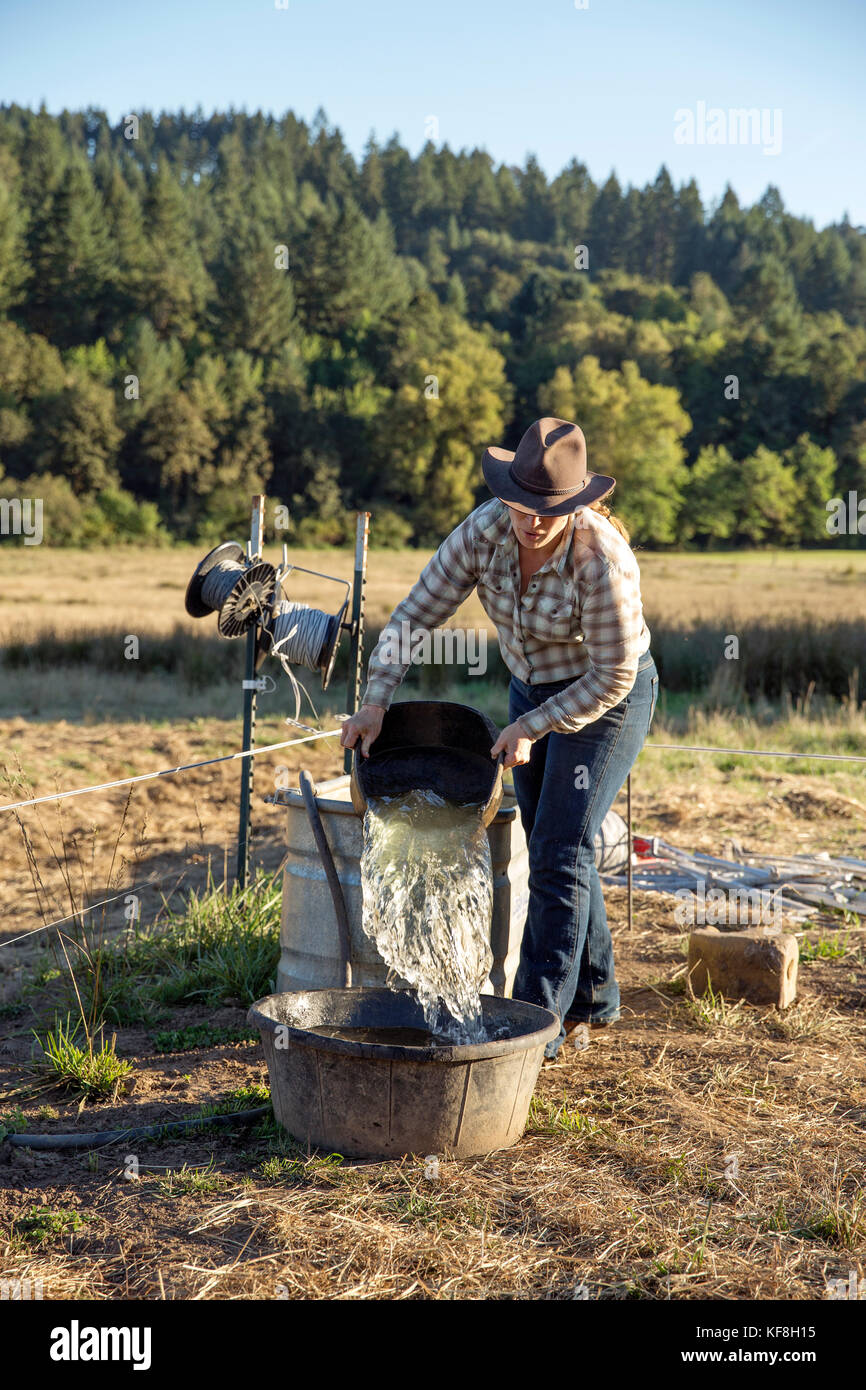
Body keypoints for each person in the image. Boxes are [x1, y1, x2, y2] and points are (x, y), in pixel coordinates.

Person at [340, 417, 659, 1060]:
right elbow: (414, 615)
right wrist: (375, 702)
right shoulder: (484, 531)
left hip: (605, 700)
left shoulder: (599, 559)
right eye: (522, 505)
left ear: (575, 505)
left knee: (560, 851)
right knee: (556, 842)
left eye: (549, 510)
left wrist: (533, 726)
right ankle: (594, 996)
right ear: (506, 493)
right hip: (529, 688)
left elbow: (614, 674)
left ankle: (533, 1027)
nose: (532, 521)